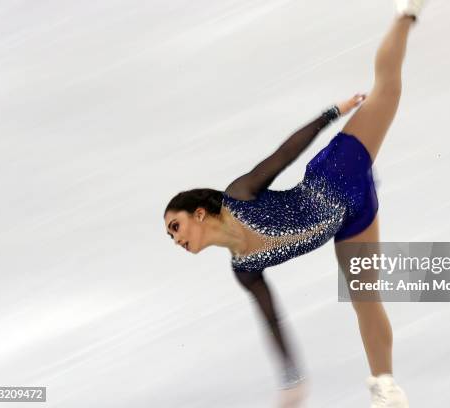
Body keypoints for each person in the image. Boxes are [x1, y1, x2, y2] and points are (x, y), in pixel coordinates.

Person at [164, 1, 426, 406]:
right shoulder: (245, 269)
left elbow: (283, 155)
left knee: (388, 89)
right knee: (366, 299)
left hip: (335, 173)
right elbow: (273, 321)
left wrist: (331, 113)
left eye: (175, 226)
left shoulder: (239, 196)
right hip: (350, 219)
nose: (174, 239)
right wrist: (291, 378)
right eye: (170, 235)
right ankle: (385, 385)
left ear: (198, 213)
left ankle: (406, 13)